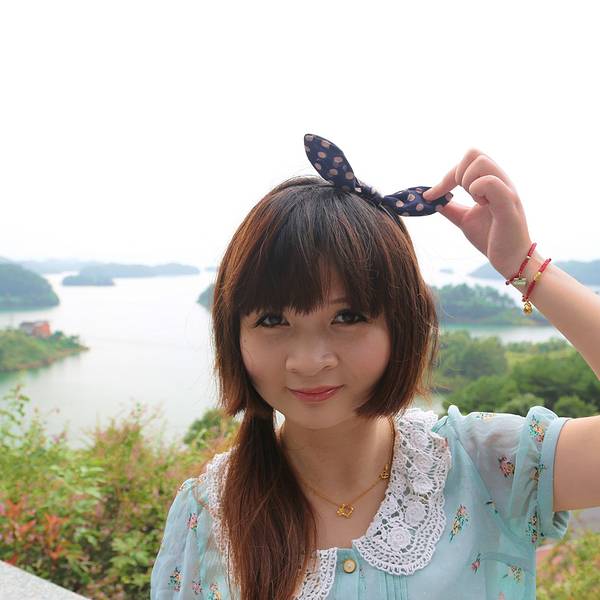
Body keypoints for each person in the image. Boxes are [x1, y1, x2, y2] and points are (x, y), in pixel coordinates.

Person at [150, 134, 600, 599]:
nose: (309, 361)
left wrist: (526, 266)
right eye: (271, 320)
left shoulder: (487, 467)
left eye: (347, 317)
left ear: (400, 325)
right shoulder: (207, 517)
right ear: (234, 335)